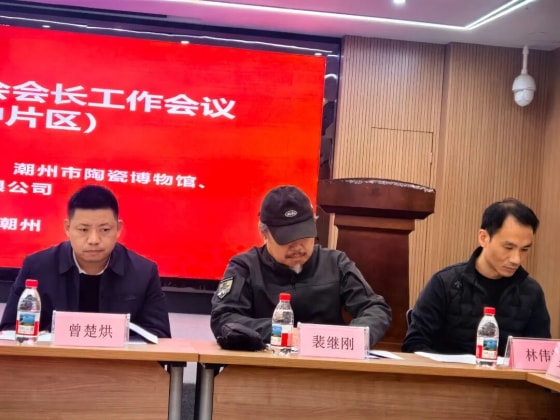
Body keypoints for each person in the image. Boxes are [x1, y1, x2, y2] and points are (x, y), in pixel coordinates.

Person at [210, 185, 392, 347]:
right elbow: (223, 318)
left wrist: (351, 338)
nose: (298, 247)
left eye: (304, 236)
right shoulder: (245, 267)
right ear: (264, 233)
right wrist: (281, 332)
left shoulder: (335, 263)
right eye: (287, 238)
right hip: (264, 365)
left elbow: (375, 309)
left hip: (326, 364)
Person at [0, 185, 171, 338]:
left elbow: (160, 336)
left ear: (118, 229)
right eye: (83, 229)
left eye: (105, 230)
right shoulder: (37, 267)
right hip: (53, 361)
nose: (93, 240)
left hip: (117, 363)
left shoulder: (143, 272)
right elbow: (9, 330)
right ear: (68, 228)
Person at [402, 198, 550, 355]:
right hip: (448, 371)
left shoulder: (531, 292)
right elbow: (414, 344)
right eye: (508, 247)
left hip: (505, 372)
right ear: (483, 238)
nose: (516, 259)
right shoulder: (444, 283)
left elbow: (540, 353)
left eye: (524, 249)